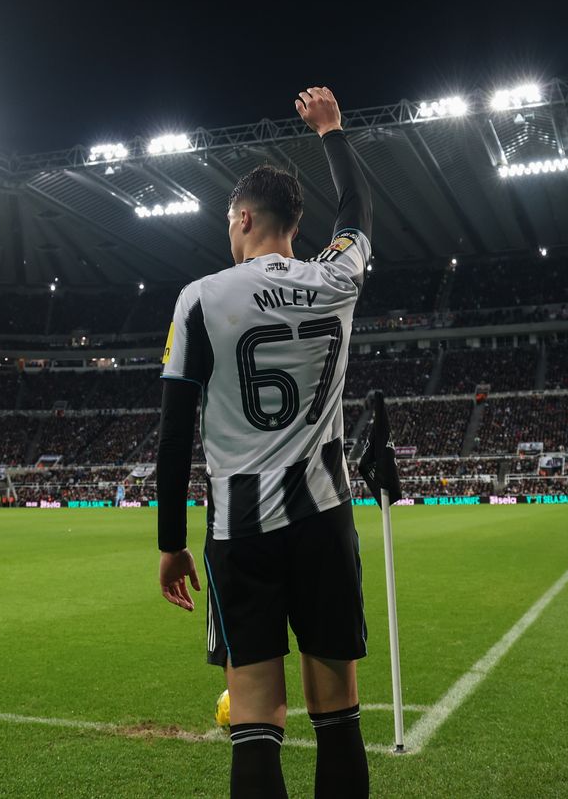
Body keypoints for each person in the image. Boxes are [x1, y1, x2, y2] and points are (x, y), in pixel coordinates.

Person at [156, 86, 373, 798]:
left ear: (243, 217)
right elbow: (357, 214)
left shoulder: (201, 297)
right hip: (325, 520)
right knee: (337, 710)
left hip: (241, 530)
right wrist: (331, 131)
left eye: (230, 220)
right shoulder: (336, 278)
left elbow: (174, 433)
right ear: (294, 224)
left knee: (254, 715)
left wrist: (169, 543)